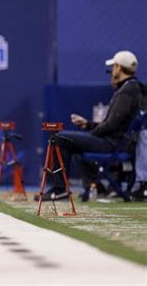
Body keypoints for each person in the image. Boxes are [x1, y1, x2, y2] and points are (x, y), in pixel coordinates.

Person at [37, 50, 142, 201]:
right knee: (75, 144)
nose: (112, 72)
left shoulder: (126, 92)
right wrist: (87, 124)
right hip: (118, 142)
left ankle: (59, 189)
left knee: (59, 138)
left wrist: (91, 133)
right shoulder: (131, 89)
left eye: (113, 68)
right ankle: (96, 187)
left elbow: (111, 125)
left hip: (113, 144)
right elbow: (114, 124)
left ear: (119, 68)